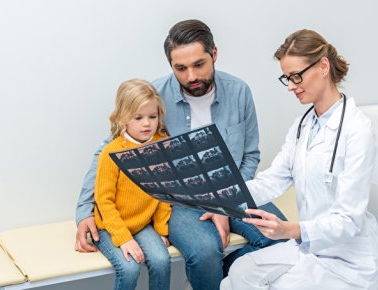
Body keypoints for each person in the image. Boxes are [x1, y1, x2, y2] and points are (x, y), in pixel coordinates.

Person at [75, 19, 287, 289]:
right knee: (205, 253)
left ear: (214, 55)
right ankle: (208, 278)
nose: (191, 76)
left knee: (281, 239)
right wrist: (84, 211)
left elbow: (250, 155)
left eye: (199, 64)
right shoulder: (155, 96)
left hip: (232, 189)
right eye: (180, 68)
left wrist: (225, 202)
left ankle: (224, 278)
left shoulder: (239, 91)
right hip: (180, 201)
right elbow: (109, 152)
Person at [221, 29, 378, 290]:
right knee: (239, 272)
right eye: (287, 78)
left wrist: (289, 230)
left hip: (348, 260)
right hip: (309, 249)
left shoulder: (358, 129)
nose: (292, 86)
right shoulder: (303, 125)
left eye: (296, 76)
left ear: (323, 66)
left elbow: (348, 221)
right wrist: (224, 195)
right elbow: (272, 180)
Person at [93, 79, 171, 290]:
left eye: (152, 117)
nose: (147, 123)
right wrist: (123, 238)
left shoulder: (162, 145)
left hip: (141, 224)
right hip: (110, 226)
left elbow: (164, 193)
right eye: (138, 118)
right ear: (123, 118)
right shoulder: (112, 152)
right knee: (129, 269)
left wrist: (162, 231)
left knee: (162, 261)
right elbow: (104, 201)